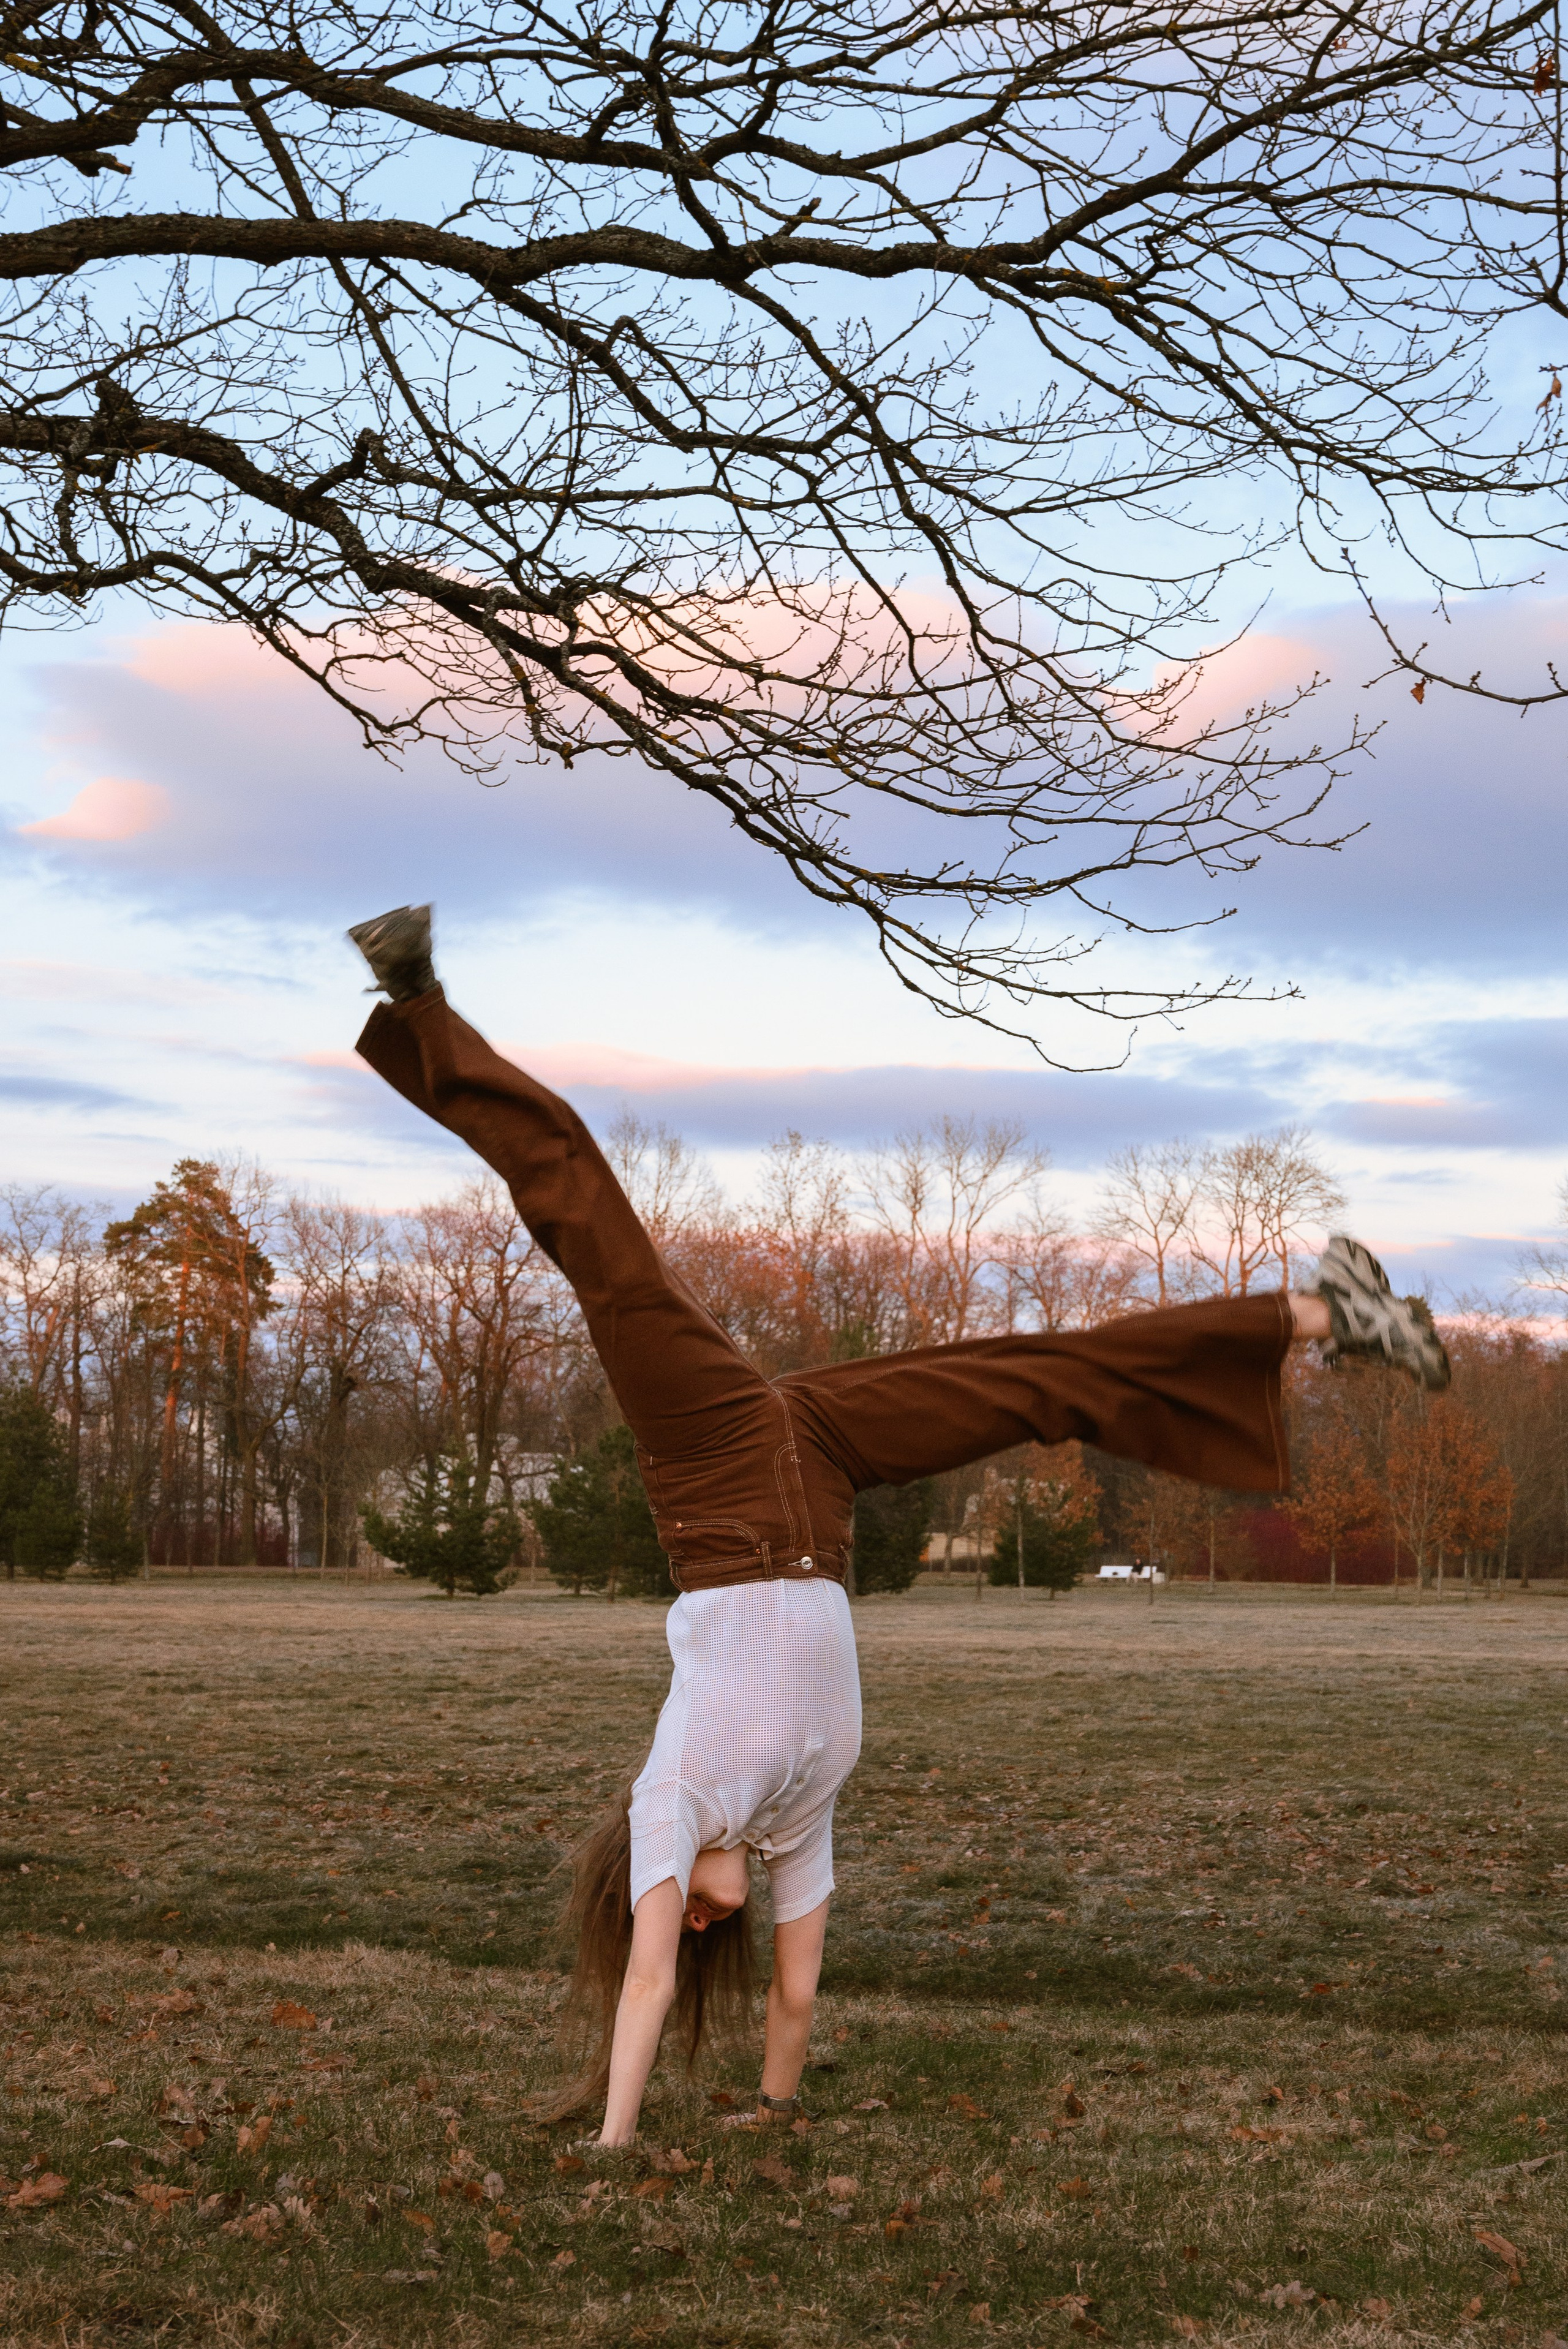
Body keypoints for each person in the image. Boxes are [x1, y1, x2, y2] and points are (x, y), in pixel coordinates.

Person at [347, 904, 1449, 2146]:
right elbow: (799, 1993)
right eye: (715, 1926)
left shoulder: (668, 1801)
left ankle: (417, 997)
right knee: (1043, 1388)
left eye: (677, 1916)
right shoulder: (792, 1816)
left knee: (593, 1230)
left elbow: (645, 1982)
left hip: (713, 1456)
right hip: (814, 1469)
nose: (704, 1922)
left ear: (643, 1881)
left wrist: (612, 2146)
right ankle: (1329, 1318)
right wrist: (770, 2109)